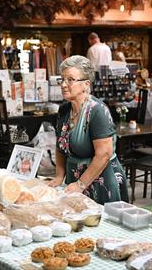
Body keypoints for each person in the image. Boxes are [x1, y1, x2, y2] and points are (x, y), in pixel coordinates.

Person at [48, 55, 128, 204]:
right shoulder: (64, 110)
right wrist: (59, 176)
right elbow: (60, 146)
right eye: (62, 79)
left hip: (100, 182)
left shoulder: (97, 111)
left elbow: (104, 154)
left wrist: (80, 184)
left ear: (86, 84)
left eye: (70, 79)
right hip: (73, 183)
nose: (64, 84)